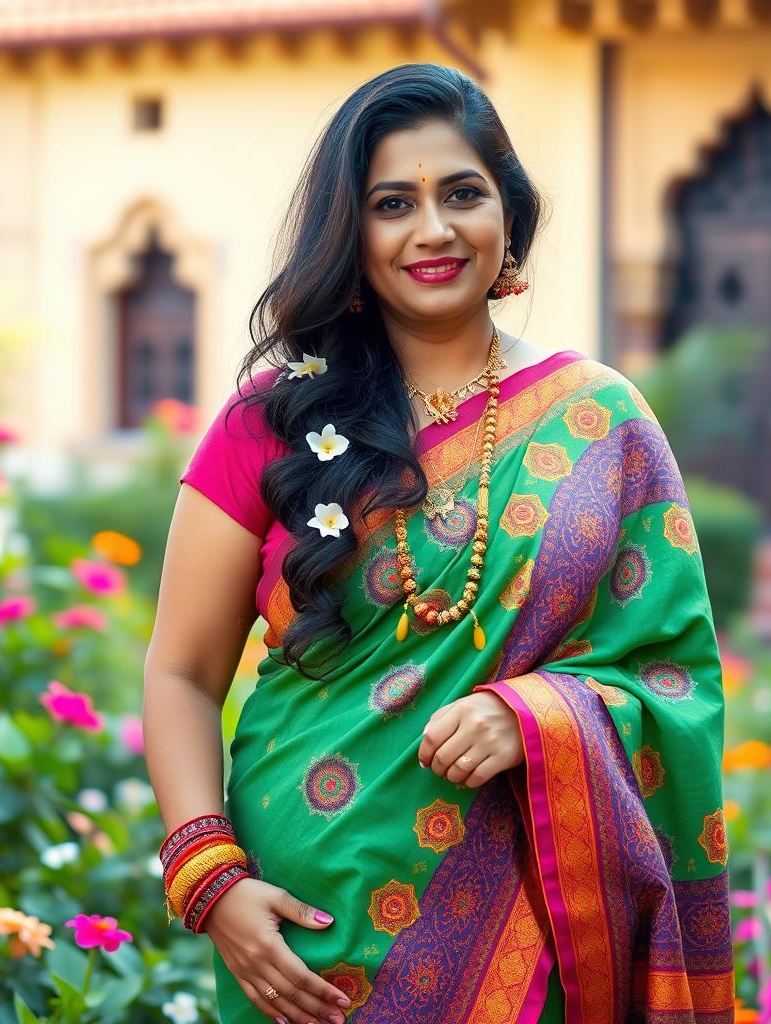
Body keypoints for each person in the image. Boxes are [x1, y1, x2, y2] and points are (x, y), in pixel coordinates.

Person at [143, 62, 734, 1024]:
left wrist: (544, 718)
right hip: (298, 938)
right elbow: (179, 670)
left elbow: (675, 680)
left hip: (528, 919)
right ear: (352, 230)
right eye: (392, 203)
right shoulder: (271, 422)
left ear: (509, 214)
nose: (433, 229)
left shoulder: (603, 420)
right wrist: (209, 875)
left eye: (463, 193)